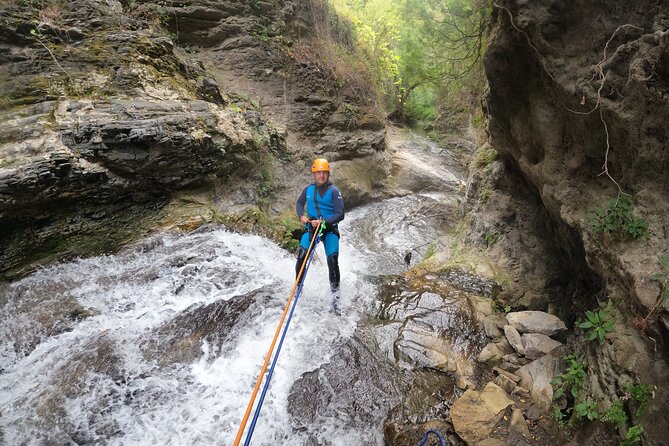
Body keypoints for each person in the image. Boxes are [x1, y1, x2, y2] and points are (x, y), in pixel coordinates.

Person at [295, 158, 345, 313]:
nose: (321, 176)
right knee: (302, 254)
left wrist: (324, 222)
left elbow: (340, 214)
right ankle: (298, 288)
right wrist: (301, 216)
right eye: (318, 173)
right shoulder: (308, 190)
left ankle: (335, 298)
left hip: (329, 229)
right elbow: (299, 204)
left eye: (324, 173)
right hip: (312, 227)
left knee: (332, 259)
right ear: (314, 174)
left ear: (328, 174)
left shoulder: (334, 191)